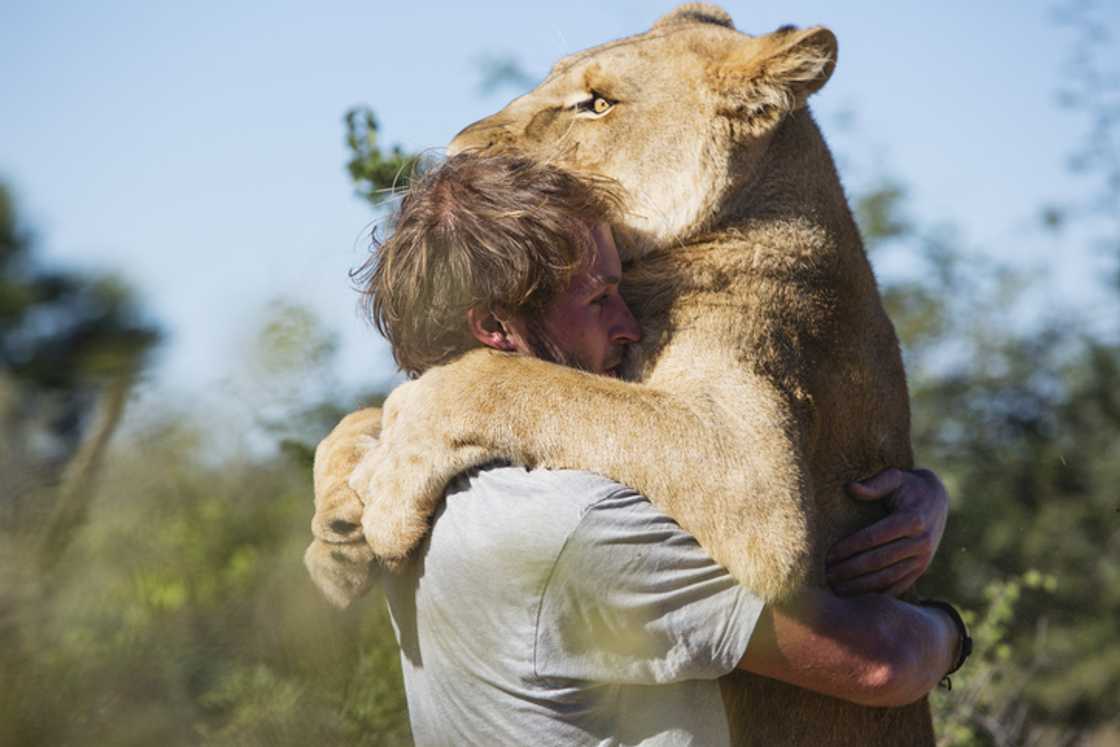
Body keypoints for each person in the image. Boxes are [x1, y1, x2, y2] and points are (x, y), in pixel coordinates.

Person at [332, 153, 965, 745]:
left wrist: (918, 492)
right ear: (495, 326)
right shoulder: (574, 524)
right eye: (600, 298)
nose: (629, 326)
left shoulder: (405, 482)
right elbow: (879, 664)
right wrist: (949, 632)